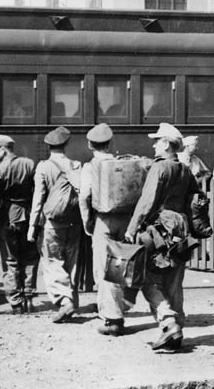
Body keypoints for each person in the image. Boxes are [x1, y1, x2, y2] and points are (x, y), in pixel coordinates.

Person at [123, 123, 200, 350]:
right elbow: (193, 200)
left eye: (157, 141)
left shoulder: (160, 168)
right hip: (180, 228)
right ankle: (178, 331)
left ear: (166, 144)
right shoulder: (185, 169)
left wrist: (132, 228)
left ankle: (168, 323)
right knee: (174, 281)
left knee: (148, 278)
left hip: (159, 229)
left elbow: (147, 202)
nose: (154, 145)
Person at [79, 123, 132, 336]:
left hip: (105, 220)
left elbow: (84, 196)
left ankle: (113, 320)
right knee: (119, 267)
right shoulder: (122, 163)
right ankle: (113, 309)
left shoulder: (90, 167)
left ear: (91, 145)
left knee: (104, 268)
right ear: (109, 143)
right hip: (126, 220)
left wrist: (87, 222)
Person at [28, 126, 82, 323]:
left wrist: (32, 226)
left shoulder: (44, 166)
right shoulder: (77, 165)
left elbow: (38, 198)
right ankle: (71, 300)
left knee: (52, 262)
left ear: (49, 146)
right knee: (71, 262)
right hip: (74, 221)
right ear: (66, 144)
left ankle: (65, 300)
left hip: (53, 223)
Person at [0, 135, 38, 314]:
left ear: (3, 149)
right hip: (28, 216)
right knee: (29, 258)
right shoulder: (29, 164)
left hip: (9, 217)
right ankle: (29, 297)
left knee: (10, 260)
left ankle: (15, 302)